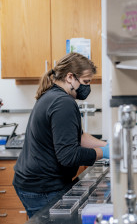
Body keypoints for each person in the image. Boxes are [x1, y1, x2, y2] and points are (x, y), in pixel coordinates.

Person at [13, 52, 110, 218]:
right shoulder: (63, 103)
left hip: (31, 183)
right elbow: (68, 156)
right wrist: (105, 154)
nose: (88, 87)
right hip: (42, 187)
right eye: (86, 82)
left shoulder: (52, 95)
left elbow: (79, 137)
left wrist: (106, 145)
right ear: (70, 77)